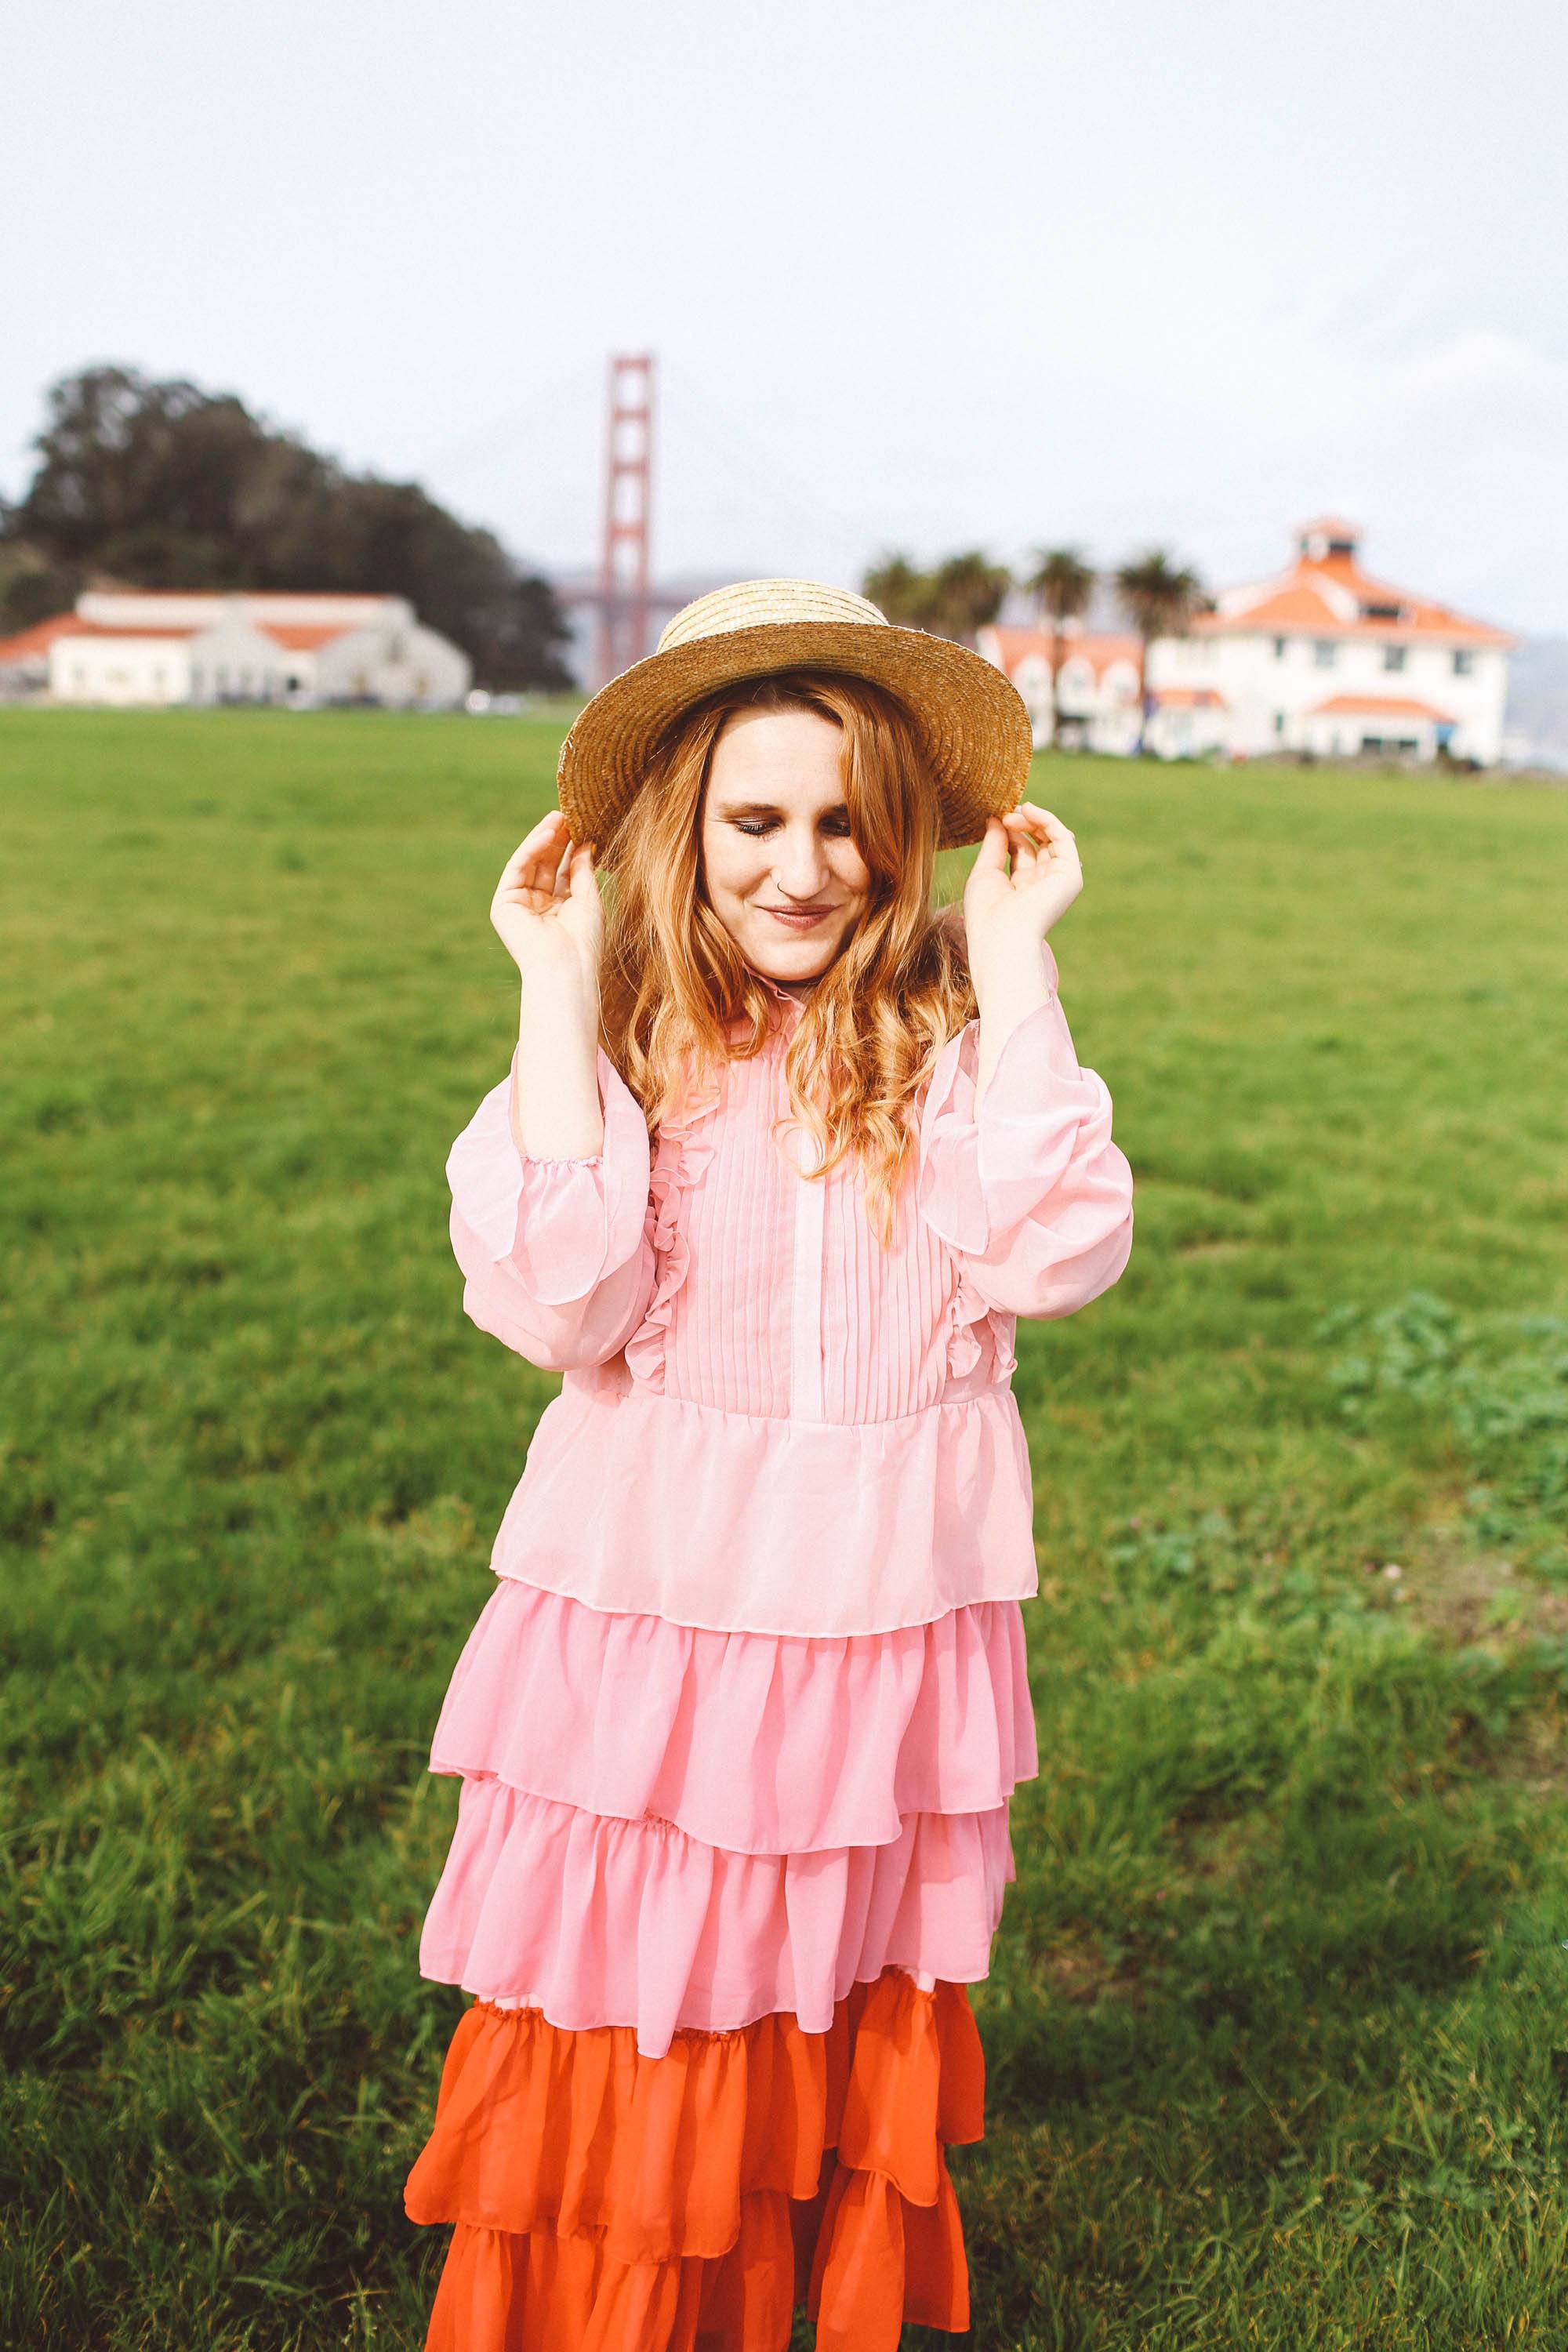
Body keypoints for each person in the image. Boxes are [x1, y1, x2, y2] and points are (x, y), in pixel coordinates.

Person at [402, 579, 1135, 2350]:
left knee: (821, 1989)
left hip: (878, 1625)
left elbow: (1051, 1254)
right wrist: (556, 988)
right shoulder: (635, 1045)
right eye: (753, 820)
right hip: (655, 1625)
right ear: (685, 826)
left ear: (902, 843)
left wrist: (1017, 966)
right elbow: (557, 1299)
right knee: (644, 1994)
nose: (801, 867)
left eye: (845, 825)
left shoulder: (945, 1055)